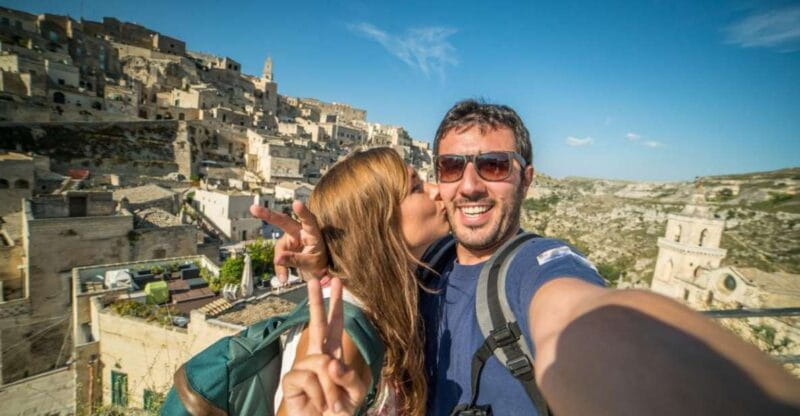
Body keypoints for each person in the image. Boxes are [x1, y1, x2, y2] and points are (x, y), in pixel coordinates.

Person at [258, 99, 800, 415]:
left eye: (494, 166)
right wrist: (326, 256)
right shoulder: (396, 283)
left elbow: (580, 317)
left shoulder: (534, 266)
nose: (466, 187)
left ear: (527, 180)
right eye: (445, 171)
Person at [252, 147, 449, 415]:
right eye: (416, 188)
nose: (437, 190)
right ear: (378, 222)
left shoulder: (387, 297)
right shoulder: (346, 330)